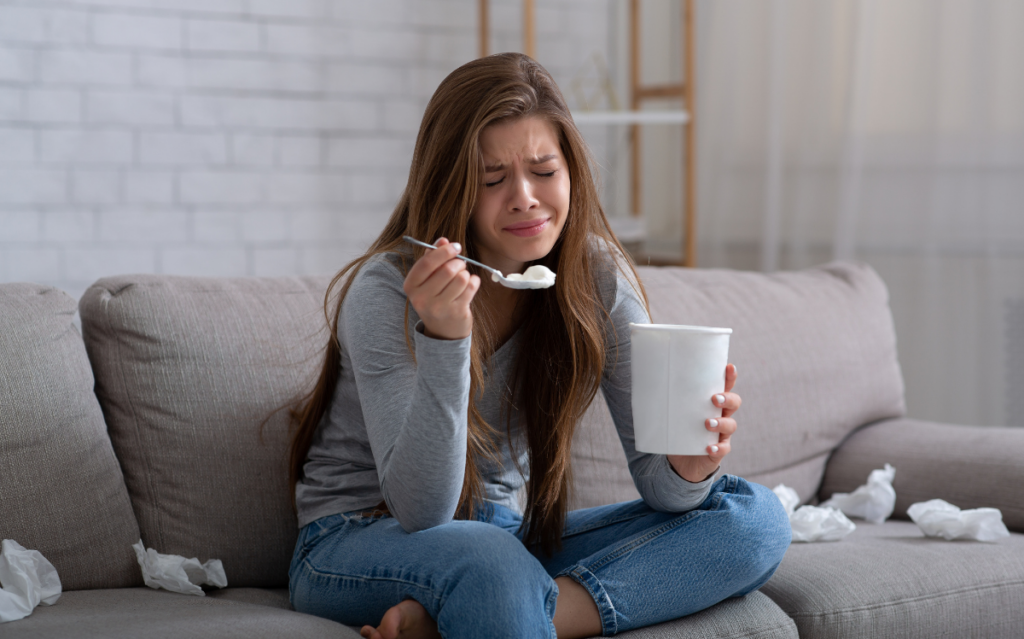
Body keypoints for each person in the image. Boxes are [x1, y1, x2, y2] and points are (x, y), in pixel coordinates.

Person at [287, 52, 791, 639]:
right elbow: (422, 512)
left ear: (571, 172)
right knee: (493, 565)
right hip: (352, 540)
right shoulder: (388, 289)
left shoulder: (596, 277)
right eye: (493, 180)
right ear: (453, 186)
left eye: (544, 171)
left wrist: (689, 468)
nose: (525, 197)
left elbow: (663, 491)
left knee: (753, 518)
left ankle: (492, 613)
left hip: (499, 535)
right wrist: (447, 340)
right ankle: (489, 600)